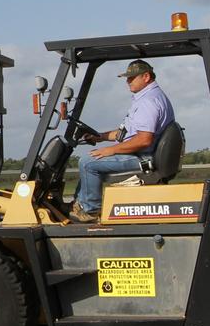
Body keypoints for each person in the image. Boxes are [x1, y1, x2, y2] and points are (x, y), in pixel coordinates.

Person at [70, 59, 176, 223]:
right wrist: (100, 137)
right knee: (92, 159)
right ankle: (78, 205)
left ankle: (90, 211)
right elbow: (126, 133)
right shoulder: (149, 97)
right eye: (127, 78)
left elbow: (143, 140)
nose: (128, 82)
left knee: (87, 163)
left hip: (143, 157)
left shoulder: (148, 102)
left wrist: (111, 150)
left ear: (146, 76)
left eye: (132, 78)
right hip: (143, 154)